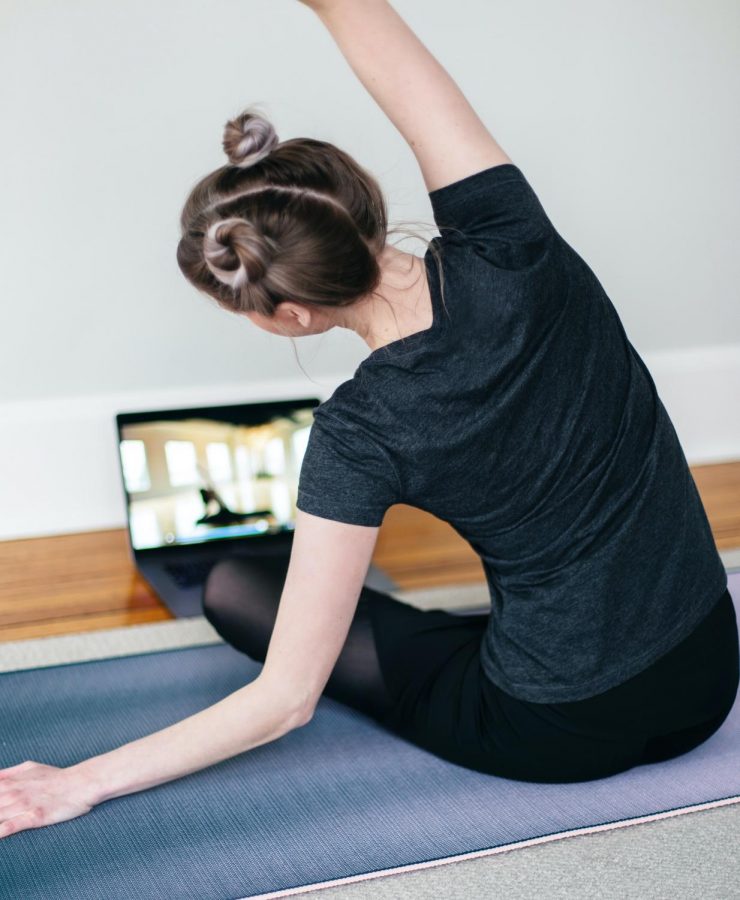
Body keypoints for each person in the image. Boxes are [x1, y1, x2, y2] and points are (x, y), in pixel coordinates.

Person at [2, 0, 737, 840]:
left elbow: (285, 702)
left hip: (555, 730)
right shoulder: (512, 237)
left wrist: (76, 784)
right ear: (360, 205)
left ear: (289, 317)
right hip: (709, 675)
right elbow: (374, 32)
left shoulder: (361, 432)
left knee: (238, 588)